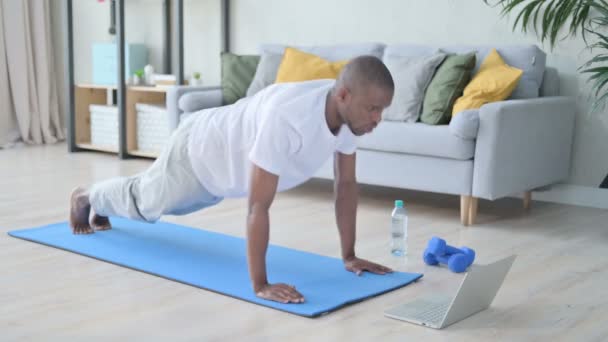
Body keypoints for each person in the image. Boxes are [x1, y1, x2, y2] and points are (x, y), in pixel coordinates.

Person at [69, 55, 395, 304]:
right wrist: (261, 284)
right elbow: (258, 207)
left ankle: (105, 201)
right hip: (197, 152)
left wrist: (349, 255)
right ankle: (86, 197)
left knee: (150, 196)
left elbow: (346, 187)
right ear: (343, 96)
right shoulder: (287, 118)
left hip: (221, 175)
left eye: (382, 110)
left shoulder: (351, 119)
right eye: (372, 109)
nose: (378, 119)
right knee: (146, 204)